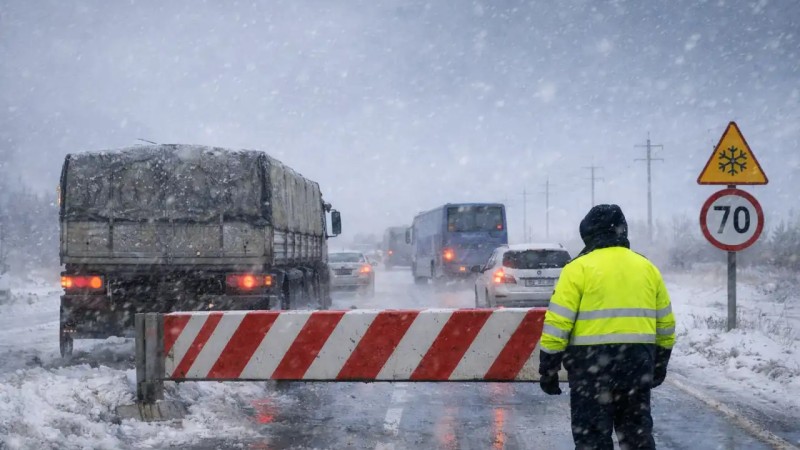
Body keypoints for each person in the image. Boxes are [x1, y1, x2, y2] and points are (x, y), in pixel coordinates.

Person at [538, 204, 676, 450]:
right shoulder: (646, 268)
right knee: (637, 436)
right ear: (622, 231)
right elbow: (665, 324)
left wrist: (549, 370)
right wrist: (659, 364)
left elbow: (558, 324)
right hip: (636, 365)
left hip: (590, 369)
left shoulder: (577, 269)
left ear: (588, 233)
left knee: (592, 438)